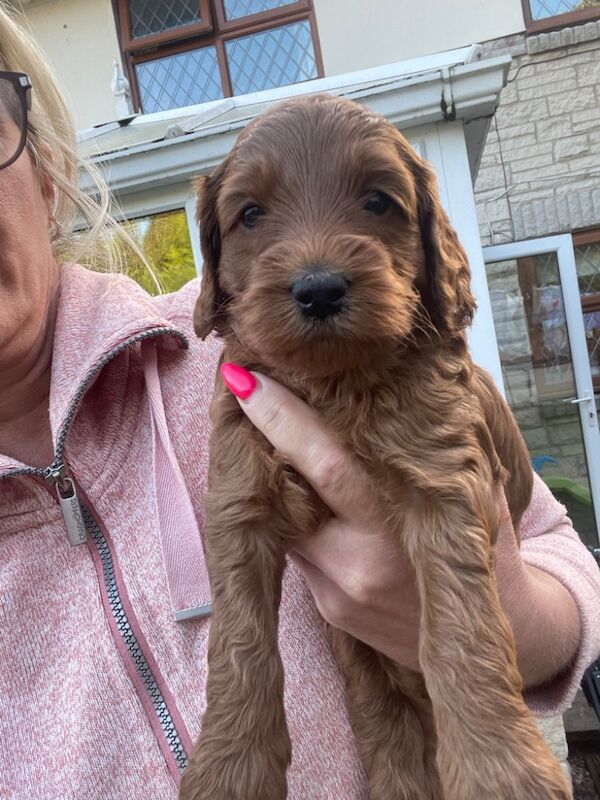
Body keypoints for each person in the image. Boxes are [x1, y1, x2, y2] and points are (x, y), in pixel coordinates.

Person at [0, 5, 598, 799]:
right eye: (255, 218)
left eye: (376, 204)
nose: (314, 261)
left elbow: (557, 550)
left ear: (43, 174)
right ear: (220, 255)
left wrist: (519, 620)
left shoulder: (199, 350)